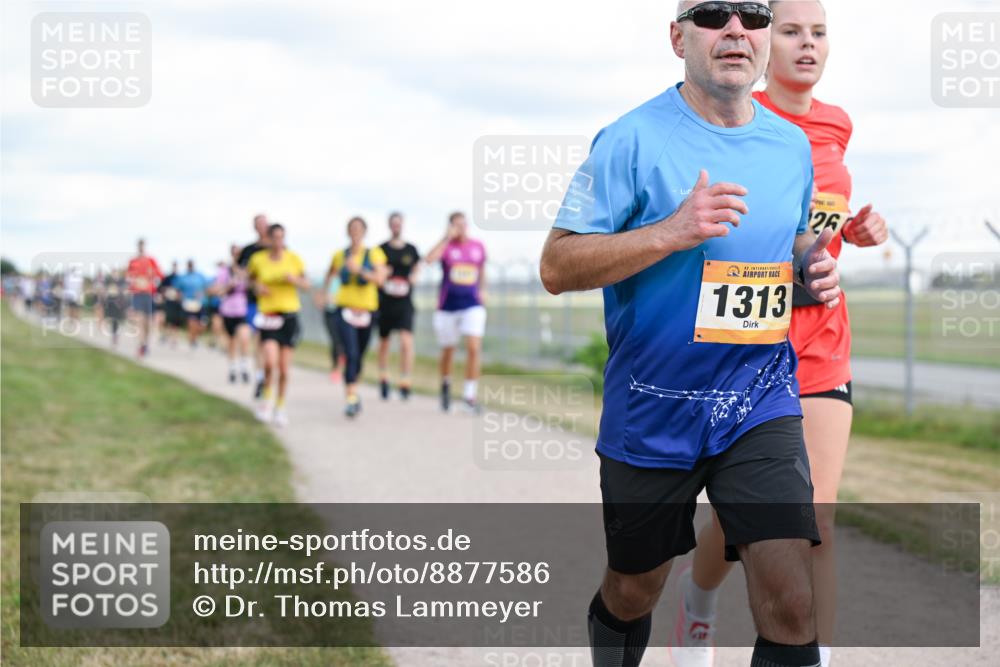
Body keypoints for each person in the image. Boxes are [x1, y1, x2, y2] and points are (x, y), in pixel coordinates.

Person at [539, 1, 844, 665]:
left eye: (752, 15)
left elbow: (788, 242)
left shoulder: (789, 145)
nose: (735, 29)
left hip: (758, 397)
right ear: (678, 36)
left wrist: (807, 266)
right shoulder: (630, 138)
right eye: (712, 14)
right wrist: (671, 231)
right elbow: (556, 265)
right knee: (633, 586)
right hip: (655, 407)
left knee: (791, 597)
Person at [678, 3, 889, 666]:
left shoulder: (837, 123)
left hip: (823, 339)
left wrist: (848, 235)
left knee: (814, 520)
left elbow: (814, 223)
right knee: (747, 517)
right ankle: (699, 598)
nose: (807, 45)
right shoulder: (734, 117)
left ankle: (808, 655)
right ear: (767, 39)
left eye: (819, 33)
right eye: (792, 31)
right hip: (748, 339)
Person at [320, 216, 389, 418]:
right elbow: (330, 274)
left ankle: (354, 389)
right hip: (345, 308)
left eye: (359, 229)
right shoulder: (339, 255)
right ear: (347, 231)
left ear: (365, 232)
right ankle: (350, 397)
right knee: (350, 352)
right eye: (352, 228)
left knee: (359, 354)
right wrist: (325, 295)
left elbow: (380, 279)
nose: (355, 232)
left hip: (367, 310)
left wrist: (360, 270)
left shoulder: (375, 254)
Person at [424, 212, 487, 414]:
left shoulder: (478, 247)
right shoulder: (447, 247)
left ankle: (469, 396)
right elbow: (429, 259)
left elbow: (481, 271)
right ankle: (445, 384)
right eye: (456, 225)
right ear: (450, 227)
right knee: (448, 350)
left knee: (474, 348)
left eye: (463, 224)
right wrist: (445, 238)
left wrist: (484, 290)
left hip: (472, 305)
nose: (461, 228)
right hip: (447, 307)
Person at [246, 223, 308, 426]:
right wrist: (257, 287)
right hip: (268, 316)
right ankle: (266, 401)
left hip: (289, 316)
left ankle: (280, 406)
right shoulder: (258, 260)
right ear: (269, 239)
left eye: (282, 237)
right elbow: (249, 282)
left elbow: (306, 285)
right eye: (275, 238)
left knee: (284, 369)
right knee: (270, 363)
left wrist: (294, 280)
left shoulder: (294, 259)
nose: (279, 242)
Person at [377, 212, 422, 400]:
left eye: (399, 224)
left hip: (405, 302)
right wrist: (383, 274)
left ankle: (405, 380)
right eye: (393, 224)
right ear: (389, 226)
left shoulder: (411, 249)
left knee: (406, 342)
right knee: (385, 342)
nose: (396, 227)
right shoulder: (381, 250)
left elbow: (417, 268)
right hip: (386, 302)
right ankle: (384, 377)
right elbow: (377, 274)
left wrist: (414, 276)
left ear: (402, 225)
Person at [239, 213, 271, 398]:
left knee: (267, 343)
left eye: (264, 224)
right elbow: (240, 271)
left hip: (274, 304)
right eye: (258, 224)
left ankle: (264, 375)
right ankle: (260, 376)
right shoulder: (249, 251)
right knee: (257, 340)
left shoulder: (279, 249)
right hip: (254, 302)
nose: (262, 227)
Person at [217, 245, 252, 384]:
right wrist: (228, 287)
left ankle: (244, 366)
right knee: (231, 341)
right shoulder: (225, 271)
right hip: (228, 310)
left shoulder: (246, 271)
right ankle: (232, 368)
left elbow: (251, 286)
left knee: (244, 338)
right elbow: (218, 290)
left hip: (242, 310)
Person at [125, 238, 164, 358]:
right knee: (140, 320)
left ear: (145, 246)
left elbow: (160, 276)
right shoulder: (133, 261)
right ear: (137, 247)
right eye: (139, 246)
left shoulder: (151, 260)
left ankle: (146, 343)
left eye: (142, 246)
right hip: (138, 294)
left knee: (148, 322)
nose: (141, 248)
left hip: (149, 294)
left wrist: (152, 282)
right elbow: (128, 277)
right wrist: (134, 282)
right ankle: (141, 345)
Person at [174, 259, 211, 349]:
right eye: (189, 264)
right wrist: (180, 300)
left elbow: (207, 288)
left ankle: (194, 337)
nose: (190, 266)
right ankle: (192, 340)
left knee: (202, 325)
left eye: (191, 264)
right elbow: (178, 291)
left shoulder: (200, 276)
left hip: (201, 303)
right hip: (189, 304)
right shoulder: (183, 277)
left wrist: (203, 294)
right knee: (192, 323)